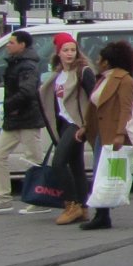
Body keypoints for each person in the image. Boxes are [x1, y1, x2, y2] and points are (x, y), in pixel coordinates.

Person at [77, 37, 133, 230]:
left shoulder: (125, 81)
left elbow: (126, 109)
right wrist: (85, 127)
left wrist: (120, 134)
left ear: (107, 62)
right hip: (101, 132)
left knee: (111, 172)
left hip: (115, 134)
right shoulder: (103, 78)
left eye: (99, 59)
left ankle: (107, 214)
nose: (96, 61)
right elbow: (94, 106)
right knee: (109, 173)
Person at [0, 29, 46, 213]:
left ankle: (39, 199)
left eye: (11, 42)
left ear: (22, 45)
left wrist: (9, 105)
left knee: (34, 159)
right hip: (14, 119)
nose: (8, 46)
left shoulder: (27, 66)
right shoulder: (16, 63)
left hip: (27, 118)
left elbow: (27, 91)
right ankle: (3, 197)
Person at [40, 32, 94, 225]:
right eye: (66, 50)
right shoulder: (57, 75)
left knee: (58, 163)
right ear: (58, 52)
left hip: (77, 124)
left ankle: (71, 204)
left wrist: (87, 125)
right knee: (76, 165)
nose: (70, 53)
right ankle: (83, 207)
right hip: (63, 123)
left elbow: (94, 99)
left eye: (73, 50)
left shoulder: (83, 71)